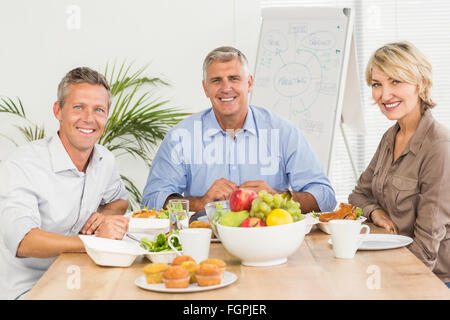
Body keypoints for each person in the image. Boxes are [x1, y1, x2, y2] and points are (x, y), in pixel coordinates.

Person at [141, 46, 336, 214]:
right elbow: (153, 201)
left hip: (268, 239)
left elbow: (325, 197)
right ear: (205, 88)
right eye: (216, 80)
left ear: (249, 83)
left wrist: (279, 198)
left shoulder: (283, 132)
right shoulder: (181, 137)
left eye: (234, 78)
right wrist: (200, 203)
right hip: (205, 240)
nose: (226, 88)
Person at [0, 67, 130, 299]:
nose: (89, 118)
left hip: (83, 278)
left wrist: (104, 217)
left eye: (98, 110)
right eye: (78, 107)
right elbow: (23, 240)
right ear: (58, 110)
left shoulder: (104, 159)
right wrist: (92, 242)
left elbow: (119, 200)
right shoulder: (22, 164)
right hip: (30, 289)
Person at [348, 41, 450, 286]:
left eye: (396, 81)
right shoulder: (391, 137)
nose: (384, 95)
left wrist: (385, 284)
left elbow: (426, 248)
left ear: (421, 84)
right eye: (377, 84)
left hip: (430, 280)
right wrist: (377, 212)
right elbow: (358, 196)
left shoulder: (439, 146)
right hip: (392, 265)